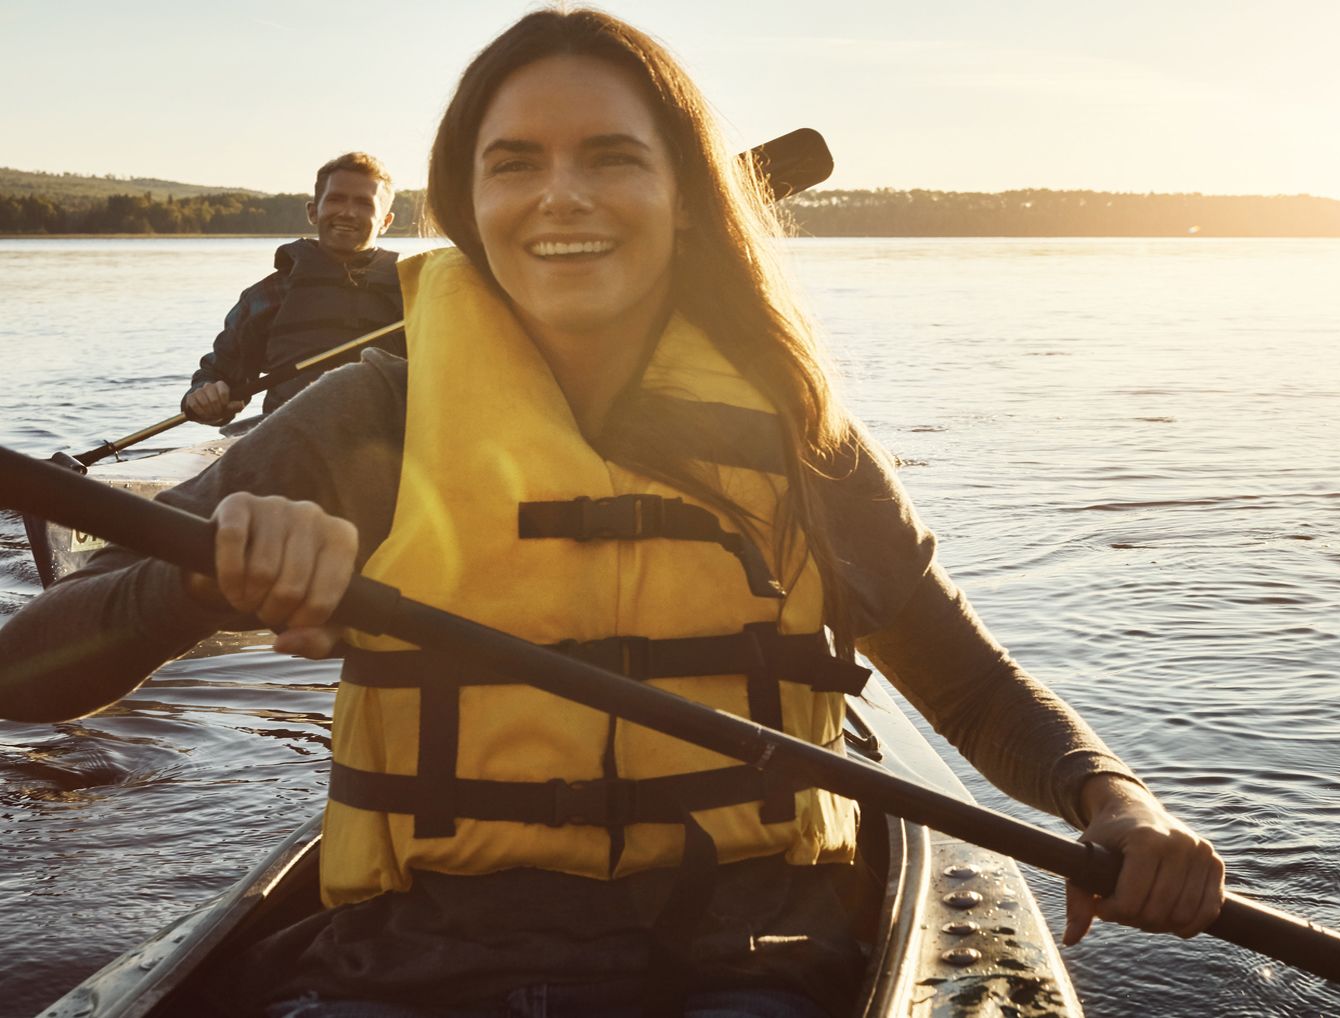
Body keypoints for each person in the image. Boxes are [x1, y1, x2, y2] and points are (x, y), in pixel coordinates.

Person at [0, 10, 1223, 1018]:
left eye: (614, 157)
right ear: (467, 203)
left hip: (749, 966)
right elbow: (27, 671)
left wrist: (1115, 799)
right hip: (421, 968)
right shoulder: (364, 417)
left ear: (688, 195)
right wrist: (197, 586)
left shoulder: (798, 430)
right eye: (513, 162)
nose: (559, 196)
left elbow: (966, 686)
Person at [180, 152, 406, 426]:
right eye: (335, 199)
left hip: (388, 446)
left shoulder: (416, 288)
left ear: (386, 221)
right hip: (289, 445)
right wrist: (205, 397)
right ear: (313, 211)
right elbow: (218, 376)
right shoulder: (268, 295)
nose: (347, 212)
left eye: (364, 203)